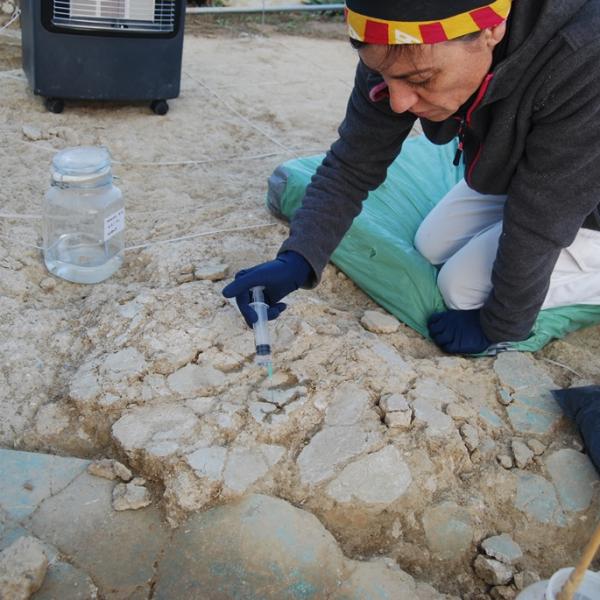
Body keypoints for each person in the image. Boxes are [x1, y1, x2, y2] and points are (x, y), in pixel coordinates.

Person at [223, 0, 600, 355]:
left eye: (420, 79)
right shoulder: (397, 45)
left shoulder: (584, 57)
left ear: (492, 30)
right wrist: (298, 259)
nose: (400, 102)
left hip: (586, 190)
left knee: (461, 290)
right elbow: (354, 162)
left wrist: (501, 325)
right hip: (535, 170)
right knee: (431, 242)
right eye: (387, 78)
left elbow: (541, 218)